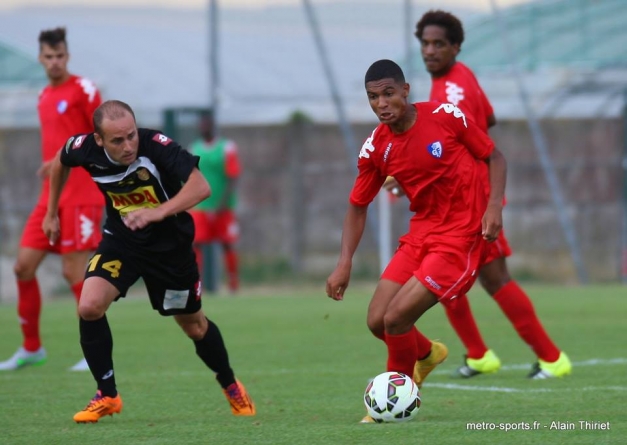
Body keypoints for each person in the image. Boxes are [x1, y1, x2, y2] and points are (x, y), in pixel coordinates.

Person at [385, 10, 572, 380]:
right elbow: (486, 121)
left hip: (472, 205)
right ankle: (481, 354)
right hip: (467, 201)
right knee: (471, 277)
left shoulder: (451, 89)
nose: (430, 50)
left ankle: (550, 358)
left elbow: (467, 143)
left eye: (439, 44)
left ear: (456, 46)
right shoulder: (457, 79)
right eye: (425, 43)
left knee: (478, 276)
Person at [42, 100, 256, 423]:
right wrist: (51, 211)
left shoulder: (156, 147)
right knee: (88, 306)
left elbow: (202, 187)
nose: (128, 146)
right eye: (117, 140)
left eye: (131, 135)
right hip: (122, 241)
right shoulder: (84, 148)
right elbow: (60, 160)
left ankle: (230, 383)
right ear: (98, 140)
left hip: (170, 250)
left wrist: (155, 213)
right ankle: (108, 394)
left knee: (194, 326)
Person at [325, 59, 507, 423]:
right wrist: (344, 262)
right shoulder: (376, 147)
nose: (381, 103)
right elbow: (357, 207)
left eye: (388, 93)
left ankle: (390, 407)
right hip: (421, 234)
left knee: (396, 318)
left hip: (460, 236)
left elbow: (494, 156)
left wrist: (493, 208)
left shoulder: (445, 116)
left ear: (405, 91)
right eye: (373, 97)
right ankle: (427, 354)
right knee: (377, 319)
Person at [0, 27, 104, 372]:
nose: (55, 62)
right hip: (50, 197)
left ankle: (95, 352)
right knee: (22, 266)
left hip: (81, 195)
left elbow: (101, 134)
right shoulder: (44, 95)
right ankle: (32, 348)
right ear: (41, 58)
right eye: (49, 57)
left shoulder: (84, 89)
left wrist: (65, 154)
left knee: (72, 270)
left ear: (67, 56)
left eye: (60, 56)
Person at [188, 112, 241, 293]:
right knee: (196, 244)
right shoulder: (194, 148)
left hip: (223, 208)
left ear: (212, 126)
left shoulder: (227, 147)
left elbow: (233, 176)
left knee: (228, 243)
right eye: (201, 125)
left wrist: (222, 203)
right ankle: (196, 285)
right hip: (200, 206)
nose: (203, 127)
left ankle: (233, 284)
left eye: (206, 124)